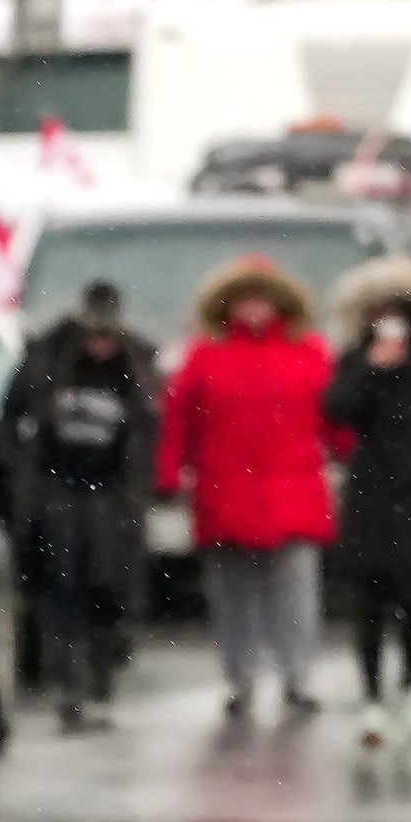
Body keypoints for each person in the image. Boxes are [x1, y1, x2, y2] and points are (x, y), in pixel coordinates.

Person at [156, 258, 333, 722]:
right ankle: (240, 679)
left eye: (261, 297)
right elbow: (179, 420)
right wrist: (168, 474)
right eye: (244, 298)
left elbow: (334, 417)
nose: (253, 307)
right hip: (225, 491)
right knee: (232, 594)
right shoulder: (203, 355)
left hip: (293, 491)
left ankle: (297, 678)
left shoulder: (309, 352)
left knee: (294, 590)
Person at [319, 257, 411, 746]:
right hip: (370, 497)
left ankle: (409, 690)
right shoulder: (356, 359)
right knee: (369, 604)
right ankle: (373, 697)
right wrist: (371, 370)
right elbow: (335, 409)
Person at [0, 279, 157, 729]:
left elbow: (149, 425)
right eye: (94, 336)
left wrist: (145, 482)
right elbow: (12, 413)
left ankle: (102, 678)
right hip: (57, 485)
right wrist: (19, 465)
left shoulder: (136, 365)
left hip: (112, 490)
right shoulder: (49, 358)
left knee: (107, 583)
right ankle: (68, 685)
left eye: (108, 336)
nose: (101, 345)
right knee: (60, 584)